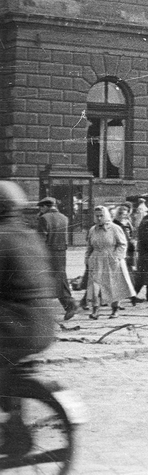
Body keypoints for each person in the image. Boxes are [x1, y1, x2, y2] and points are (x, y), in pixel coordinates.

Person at [0, 181, 58, 457]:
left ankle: (12, 427)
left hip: (17, 325)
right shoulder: (29, 235)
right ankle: (13, 420)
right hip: (44, 324)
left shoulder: (1, 237)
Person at [85, 205, 136, 319]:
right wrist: (88, 259)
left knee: (114, 284)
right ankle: (95, 310)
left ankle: (115, 309)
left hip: (112, 259)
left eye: (101, 216)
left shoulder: (114, 228)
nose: (99, 218)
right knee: (95, 285)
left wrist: (117, 257)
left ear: (106, 215)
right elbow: (89, 246)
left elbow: (122, 244)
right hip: (97, 259)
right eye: (97, 216)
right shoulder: (93, 229)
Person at [37, 197, 78, 321]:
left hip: (48, 252)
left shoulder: (44, 218)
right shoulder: (64, 218)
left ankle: (69, 305)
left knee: (45, 279)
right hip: (61, 252)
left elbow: (41, 238)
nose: (40, 209)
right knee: (59, 278)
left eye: (41, 207)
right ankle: (68, 305)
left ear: (45, 206)